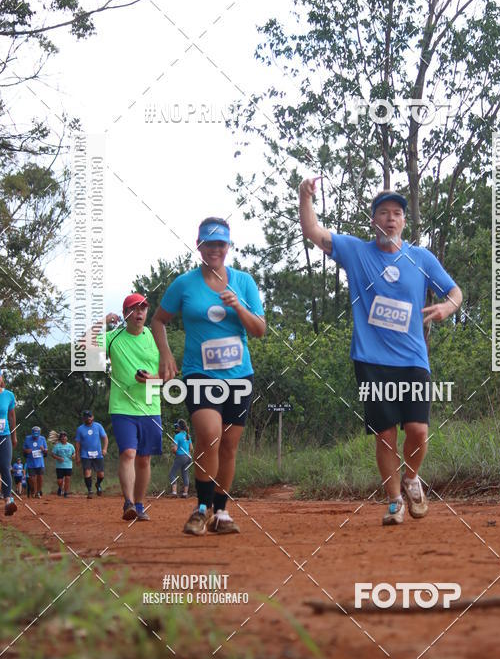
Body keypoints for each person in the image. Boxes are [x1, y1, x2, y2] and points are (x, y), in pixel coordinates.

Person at [299, 180, 463, 526]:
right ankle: (393, 501)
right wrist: (305, 196)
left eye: (397, 214)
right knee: (386, 434)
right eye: (384, 213)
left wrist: (446, 308)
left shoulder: (420, 258)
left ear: (404, 221)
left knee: (418, 430)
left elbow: (454, 292)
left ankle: (412, 478)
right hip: (371, 360)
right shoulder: (357, 252)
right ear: (374, 221)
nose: (391, 219)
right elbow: (313, 230)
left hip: (413, 359)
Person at [152, 217, 266, 536]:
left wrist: (239, 308)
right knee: (209, 435)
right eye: (208, 243)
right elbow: (158, 321)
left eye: (220, 244)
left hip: (239, 376)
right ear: (199, 245)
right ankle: (200, 509)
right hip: (200, 374)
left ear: (228, 247)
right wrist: (166, 354)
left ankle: (221, 513)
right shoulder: (185, 284)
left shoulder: (243, 282)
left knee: (229, 446)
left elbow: (259, 330)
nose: (214, 249)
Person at [92, 294, 162, 521]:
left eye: (143, 309)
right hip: (122, 406)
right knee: (128, 453)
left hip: (150, 405)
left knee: (144, 458)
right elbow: (82, 349)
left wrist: (151, 378)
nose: (140, 313)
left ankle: (140, 505)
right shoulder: (112, 338)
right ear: (125, 315)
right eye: (134, 309)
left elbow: (168, 374)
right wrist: (102, 322)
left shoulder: (155, 337)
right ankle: (128, 503)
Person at [75, 411, 108, 499]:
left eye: (89, 416)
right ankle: (90, 490)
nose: (88, 418)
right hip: (85, 454)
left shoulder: (98, 426)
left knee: (101, 474)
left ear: (92, 417)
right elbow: (77, 443)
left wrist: (104, 449)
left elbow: (105, 437)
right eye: (86, 417)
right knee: (87, 472)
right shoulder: (80, 429)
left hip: (98, 454)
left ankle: (98, 484)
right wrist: (77, 456)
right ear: (84, 418)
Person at [0, 372, 18, 515]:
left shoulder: (9, 395)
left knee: (5, 467)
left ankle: (8, 500)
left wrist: (14, 436)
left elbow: (11, 416)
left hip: (4, 436)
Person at [169, 419, 193, 498]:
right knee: (185, 474)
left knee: (172, 474)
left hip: (181, 456)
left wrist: (176, 453)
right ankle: (185, 493)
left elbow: (174, 449)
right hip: (188, 457)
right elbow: (191, 448)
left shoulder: (177, 436)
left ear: (179, 427)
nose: (176, 427)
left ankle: (174, 492)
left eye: (177, 426)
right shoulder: (187, 435)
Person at [23, 426, 48, 499]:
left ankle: (38, 492)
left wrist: (44, 450)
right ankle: (33, 490)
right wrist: (26, 451)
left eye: (37, 436)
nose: (35, 437)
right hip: (30, 462)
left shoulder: (42, 439)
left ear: (39, 434)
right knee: (31, 479)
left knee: (40, 478)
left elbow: (46, 452)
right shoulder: (27, 438)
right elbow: (24, 450)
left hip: (40, 462)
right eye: (34, 436)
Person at [51, 431, 75, 497]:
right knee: (59, 481)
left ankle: (66, 493)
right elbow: (52, 454)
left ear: (67, 438)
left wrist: (73, 456)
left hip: (68, 465)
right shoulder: (57, 446)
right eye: (62, 437)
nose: (63, 438)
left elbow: (74, 453)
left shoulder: (70, 446)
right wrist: (58, 458)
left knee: (67, 479)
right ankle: (60, 488)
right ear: (60, 438)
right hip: (59, 466)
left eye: (65, 436)